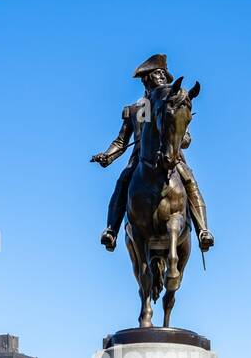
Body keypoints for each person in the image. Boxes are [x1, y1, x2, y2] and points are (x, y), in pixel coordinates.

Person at [91, 53, 214, 253]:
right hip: (140, 158)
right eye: (158, 74)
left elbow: (186, 136)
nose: (162, 77)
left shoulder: (172, 102)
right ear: (146, 79)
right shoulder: (135, 108)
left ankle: (203, 230)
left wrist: (182, 138)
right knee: (123, 181)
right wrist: (107, 156)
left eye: (163, 74)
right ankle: (111, 230)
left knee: (189, 179)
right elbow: (121, 141)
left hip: (170, 155)